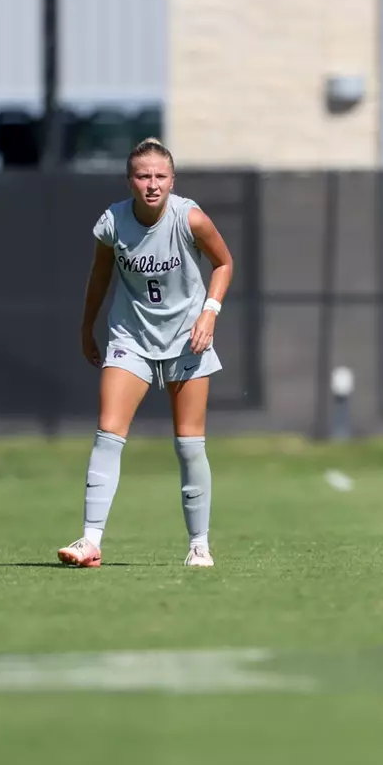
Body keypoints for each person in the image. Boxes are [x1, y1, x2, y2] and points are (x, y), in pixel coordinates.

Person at [58, 138, 236, 569]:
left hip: (187, 339)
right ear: (130, 181)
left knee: (189, 444)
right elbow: (99, 277)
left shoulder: (189, 218)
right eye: (143, 176)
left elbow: (224, 263)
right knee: (108, 432)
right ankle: (90, 541)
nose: (152, 184)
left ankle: (199, 544)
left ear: (172, 181)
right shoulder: (113, 223)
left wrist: (209, 314)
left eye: (160, 176)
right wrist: (87, 326)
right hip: (131, 337)